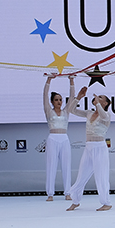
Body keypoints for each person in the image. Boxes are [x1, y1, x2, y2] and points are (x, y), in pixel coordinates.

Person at [66, 88, 113, 211]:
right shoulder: (89, 113)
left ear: (106, 103)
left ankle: (106, 202)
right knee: (82, 175)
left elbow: (103, 114)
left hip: (100, 147)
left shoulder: (107, 115)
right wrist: (79, 97)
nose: (98, 97)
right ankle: (75, 200)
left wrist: (97, 103)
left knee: (101, 175)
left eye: (101, 97)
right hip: (89, 147)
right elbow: (71, 110)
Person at [43, 72, 76, 201]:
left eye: (60, 100)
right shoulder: (48, 110)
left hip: (64, 139)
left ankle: (67, 192)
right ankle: (50, 194)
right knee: (51, 166)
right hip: (52, 138)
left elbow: (72, 97)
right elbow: (44, 95)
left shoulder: (66, 111)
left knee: (66, 166)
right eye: (56, 100)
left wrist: (71, 81)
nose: (59, 102)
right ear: (52, 101)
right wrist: (49, 80)